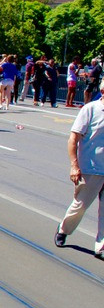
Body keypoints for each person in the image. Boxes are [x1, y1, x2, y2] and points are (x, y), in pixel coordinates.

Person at [54, 77, 104, 259]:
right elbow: (73, 139)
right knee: (80, 206)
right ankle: (63, 229)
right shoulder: (90, 109)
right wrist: (74, 165)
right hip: (91, 168)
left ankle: (101, 246)